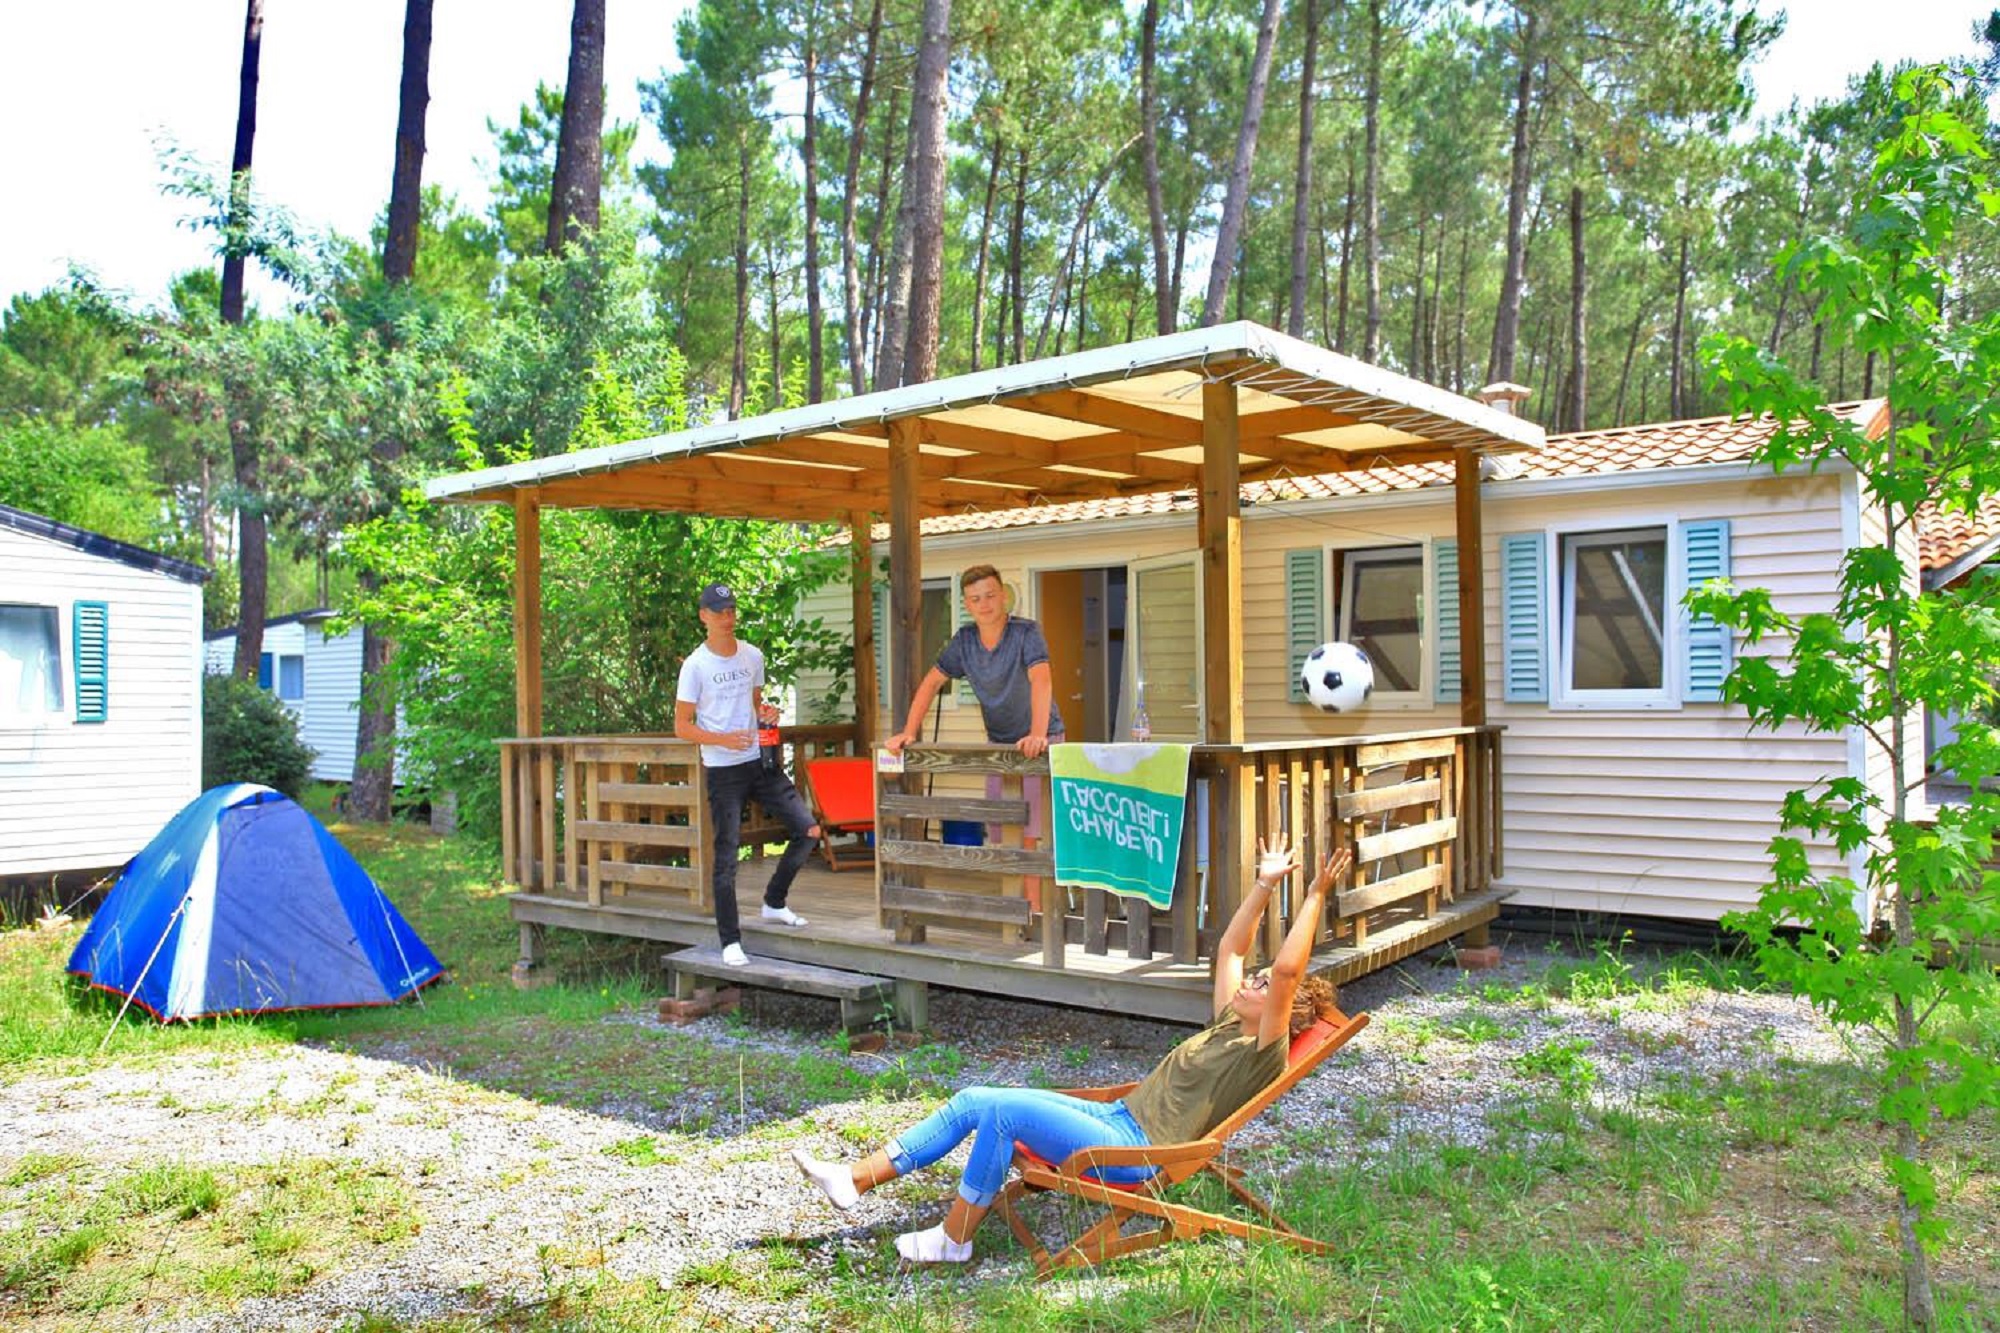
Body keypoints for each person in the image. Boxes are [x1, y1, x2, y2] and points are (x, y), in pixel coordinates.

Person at [791, 835, 1351, 1263]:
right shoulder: (1231, 1019)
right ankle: (855, 1179)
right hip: (1115, 1118)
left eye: (1263, 986)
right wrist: (1264, 885)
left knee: (1005, 1114)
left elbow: (1287, 971)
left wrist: (1314, 895)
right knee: (976, 1099)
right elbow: (1230, 949)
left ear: (1284, 1012)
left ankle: (954, 1238)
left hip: (1136, 1152)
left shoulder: (1262, 1050)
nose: (1252, 980)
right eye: (1254, 979)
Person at [673, 582, 819, 966]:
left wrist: (767, 713)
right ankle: (730, 941)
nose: (727, 618)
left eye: (731, 611)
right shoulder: (695, 666)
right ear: (703, 616)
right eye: (719, 612)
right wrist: (721, 739)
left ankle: (774, 902)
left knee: (808, 831)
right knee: (727, 856)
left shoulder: (752, 656)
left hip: (761, 763)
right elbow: (682, 726)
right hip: (723, 770)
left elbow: (755, 705)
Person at [884, 565, 1063, 760]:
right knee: (993, 783)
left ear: (1003, 596)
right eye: (975, 599)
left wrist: (1037, 735)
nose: (984, 604)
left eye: (990, 596)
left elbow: (1041, 680)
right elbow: (931, 683)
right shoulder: (964, 640)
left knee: (1037, 781)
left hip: (1042, 737)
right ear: (967, 605)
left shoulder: (1027, 632)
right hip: (998, 741)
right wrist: (908, 732)